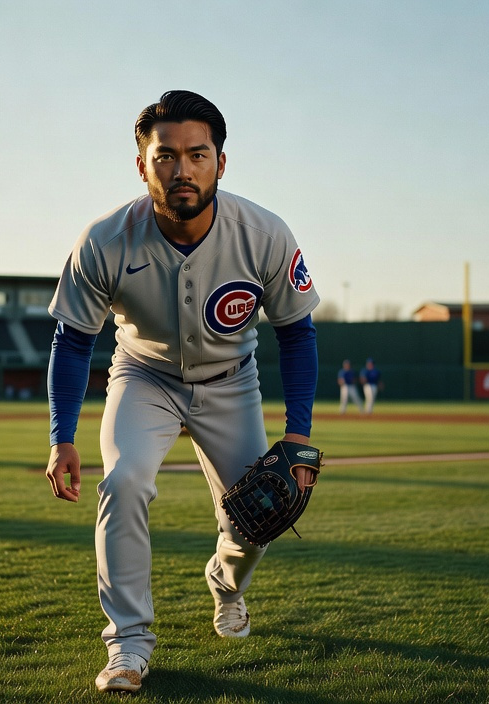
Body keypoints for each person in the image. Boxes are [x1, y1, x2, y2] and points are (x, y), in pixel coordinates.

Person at [43, 90, 320, 694]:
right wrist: (62, 436)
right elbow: (72, 342)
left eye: (198, 154)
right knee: (123, 482)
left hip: (231, 381)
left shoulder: (265, 234)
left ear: (222, 161)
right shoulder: (104, 239)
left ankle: (225, 583)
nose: (182, 169)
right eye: (165, 156)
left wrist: (296, 434)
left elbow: (297, 334)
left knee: (257, 513)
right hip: (144, 376)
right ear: (141, 164)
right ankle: (128, 645)